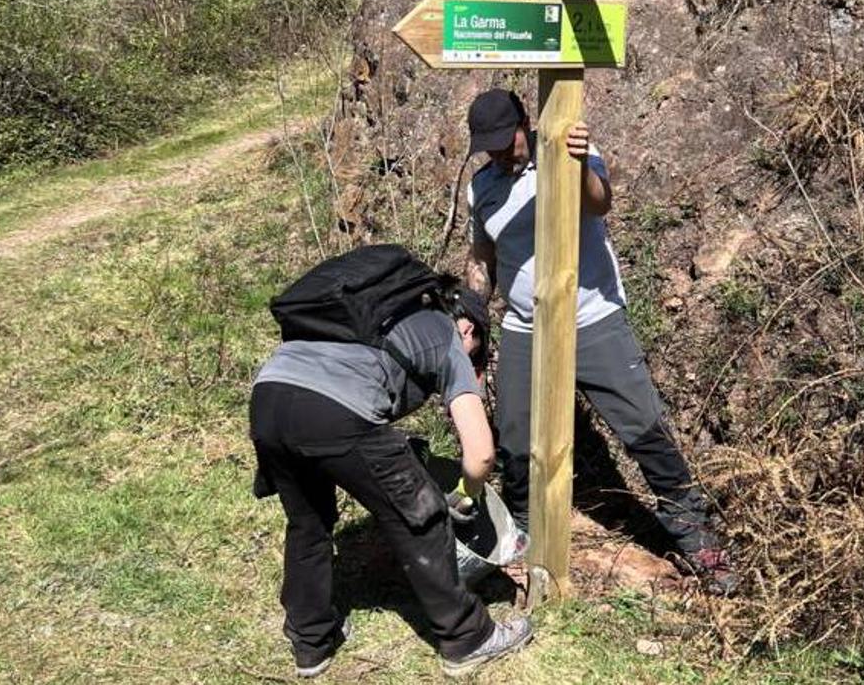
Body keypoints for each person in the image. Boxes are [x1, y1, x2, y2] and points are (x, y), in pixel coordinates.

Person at [463, 88, 738, 595]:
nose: (501, 152)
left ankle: (699, 540)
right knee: (516, 445)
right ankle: (524, 533)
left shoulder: (569, 150)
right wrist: (471, 312)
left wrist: (577, 162)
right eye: (490, 146)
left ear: (527, 120)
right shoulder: (483, 187)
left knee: (644, 430)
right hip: (525, 327)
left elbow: (599, 202)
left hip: (593, 319)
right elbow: (484, 257)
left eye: (508, 140)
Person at [249, 281, 532, 679]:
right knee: (423, 515)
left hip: (268, 396)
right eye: (478, 349)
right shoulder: (446, 335)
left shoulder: (379, 316)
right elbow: (482, 453)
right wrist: (463, 495)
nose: (472, 359)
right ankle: (469, 639)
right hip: (333, 410)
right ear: (468, 328)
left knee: (308, 522)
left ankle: (311, 642)